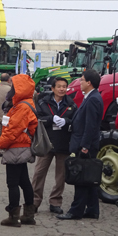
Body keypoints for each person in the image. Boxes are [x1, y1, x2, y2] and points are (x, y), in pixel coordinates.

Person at [57, 69, 103, 220]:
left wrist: (84, 146)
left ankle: (75, 211)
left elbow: (91, 126)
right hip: (83, 142)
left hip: (84, 145)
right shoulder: (90, 97)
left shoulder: (93, 99)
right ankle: (92, 210)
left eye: (82, 80)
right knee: (88, 178)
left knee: (81, 177)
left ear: (89, 83)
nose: (80, 82)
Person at [0, 74, 38, 227]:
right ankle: (28, 215)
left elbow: (12, 131)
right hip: (23, 146)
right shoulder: (26, 103)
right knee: (24, 181)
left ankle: (13, 216)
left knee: (12, 182)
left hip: (16, 147)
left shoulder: (21, 107)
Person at [31, 77, 77, 214]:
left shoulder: (71, 104)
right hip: (46, 142)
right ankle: (34, 201)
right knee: (39, 173)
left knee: (61, 175)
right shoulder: (43, 102)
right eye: (59, 86)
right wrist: (51, 119)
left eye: (64, 86)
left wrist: (67, 121)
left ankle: (55, 202)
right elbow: (37, 119)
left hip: (63, 142)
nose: (62, 89)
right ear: (53, 88)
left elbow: (75, 121)